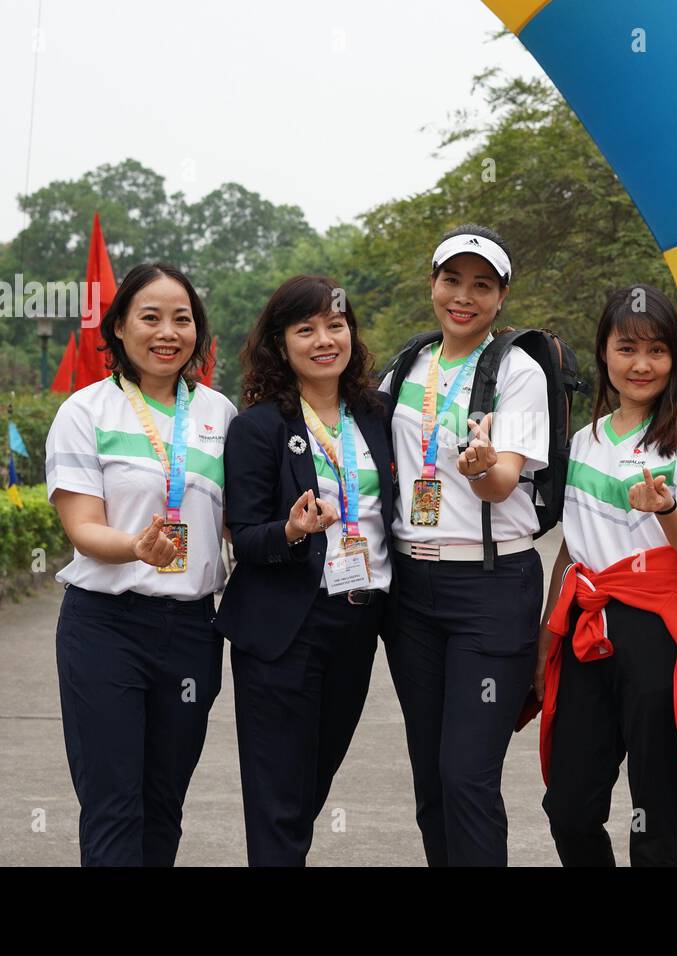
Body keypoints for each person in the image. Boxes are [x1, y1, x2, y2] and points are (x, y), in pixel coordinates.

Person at [535, 284, 677, 867]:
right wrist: (545, 643)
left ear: (674, 358)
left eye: (657, 350)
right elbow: (568, 551)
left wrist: (666, 509)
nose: (642, 364)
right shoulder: (582, 441)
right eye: (627, 348)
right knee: (570, 805)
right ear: (604, 352)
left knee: (657, 802)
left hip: (657, 628)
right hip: (587, 625)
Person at [46, 262, 236, 866]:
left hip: (191, 632)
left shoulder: (220, 416)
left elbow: (239, 525)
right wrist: (136, 547)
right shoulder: (86, 411)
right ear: (120, 329)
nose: (167, 332)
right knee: (112, 802)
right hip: (105, 627)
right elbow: (82, 528)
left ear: (198, 333)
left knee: (164, 803)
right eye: (149, 317)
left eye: (182, 319)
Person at [380, 224, 549, 867]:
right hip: (411, 591)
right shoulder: (408, 365)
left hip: (489, 584)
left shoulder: (518, 370)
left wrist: (482, 467)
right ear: (433, 283)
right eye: (452, 280)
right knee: (430, 774)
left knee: (466, 775)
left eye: (482, 286)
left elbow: (505, 478)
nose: (464, 297)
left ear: (501, 297)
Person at [213, 275, 396, 866]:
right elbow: (246, 534)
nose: (325, 340)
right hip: (283, 630)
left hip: (357, 621)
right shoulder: (259, 427)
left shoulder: (377, 415)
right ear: (280, 343)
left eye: (336, 326)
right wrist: (291, 531)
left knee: (311, 783)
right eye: (306, 329)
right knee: (278, 798)